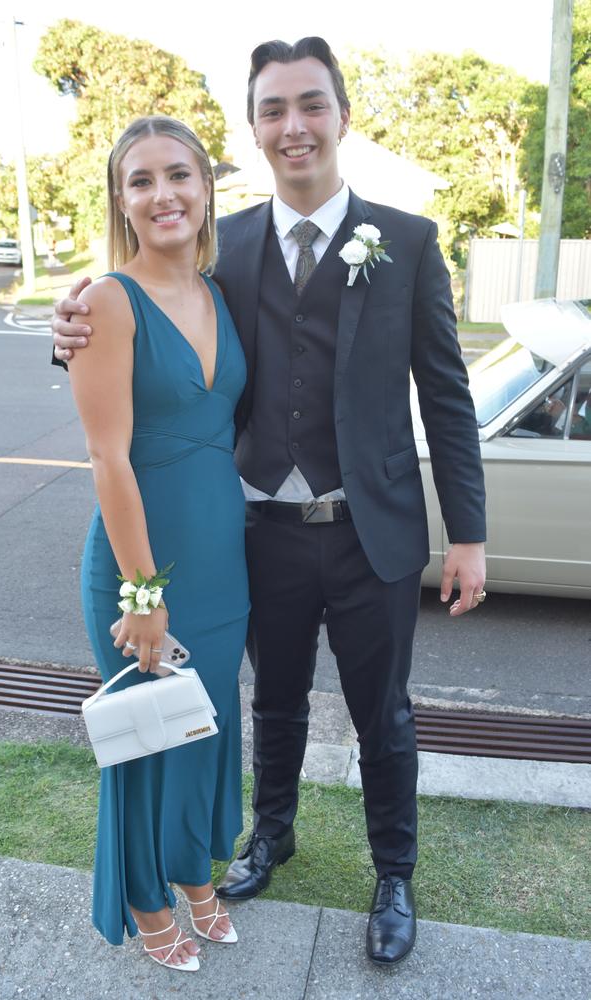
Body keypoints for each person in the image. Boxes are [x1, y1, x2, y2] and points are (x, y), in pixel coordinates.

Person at [52, 37, 486, 967]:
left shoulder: (405, 241)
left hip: (373, 530)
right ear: (252, 131)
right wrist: (67, 331)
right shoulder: (225, 245)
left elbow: (446, 397)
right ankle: (269, 838)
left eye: (311, 105)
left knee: (386, 714)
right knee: (270, 706)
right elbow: (140, 338)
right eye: (274, 110)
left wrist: (471, 537)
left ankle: (394, 872)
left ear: (341, 114)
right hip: (260, 534)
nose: (294, 126)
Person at [66, 115, 249, 973]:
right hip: (144, 568)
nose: (163, 193)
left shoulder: (219, 290)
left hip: (223, 566)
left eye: (179, 174)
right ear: (123, 200)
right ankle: (147, 900)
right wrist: (144, 595)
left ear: (208, 186)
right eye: (141, 180)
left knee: (203, 729)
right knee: (147, 740)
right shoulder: (107, 299)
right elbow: (108, 457)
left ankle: (193, 873)